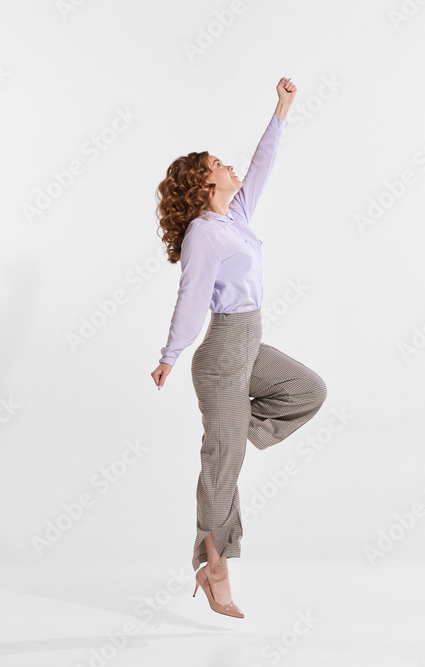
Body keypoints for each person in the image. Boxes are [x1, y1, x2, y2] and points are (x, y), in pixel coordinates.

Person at [150, 77, 327, 619]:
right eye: (219, 166)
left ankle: (232, 434)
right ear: (203, 186)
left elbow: (263, 166)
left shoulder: (235, 217)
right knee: (222, 467)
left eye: (228, 164)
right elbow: (191, 297)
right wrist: (170, 355)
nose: (231, 168)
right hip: (224, 352)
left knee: (308, 390)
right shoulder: (205, 233)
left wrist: (282, 110)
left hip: (249, 345)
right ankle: (213, 564)